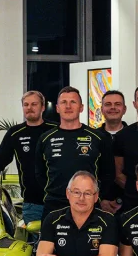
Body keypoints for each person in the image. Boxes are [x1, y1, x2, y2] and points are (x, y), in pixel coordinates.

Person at [34, 86, 117, 218]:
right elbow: (39, 173)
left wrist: (96, 195)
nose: (68, 106)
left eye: (73, 102)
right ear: (57, 108)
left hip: (88, 204)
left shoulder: (98, 137)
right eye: (64, 102)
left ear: (81, 107)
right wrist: (56, 191)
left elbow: (108, 172)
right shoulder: (46, 138)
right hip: (55, 205)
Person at [0, 91, 55, 226]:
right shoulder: (15, 133)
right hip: (32, 203)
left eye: (34, 104)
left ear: (43, 107)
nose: (29, 108)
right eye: (26, 105)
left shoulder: (55, 130)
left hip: (59, 200)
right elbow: (0, 158)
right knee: (37, 243)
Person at [98, 90, 128, 214]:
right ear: (102, 109)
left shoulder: (134, 136)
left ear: (124, 109)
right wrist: (99, 200)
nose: (113, 108)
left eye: (117, 104)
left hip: (131, 204)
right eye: (108, 104)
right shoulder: (93, 138)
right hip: (97, 206)